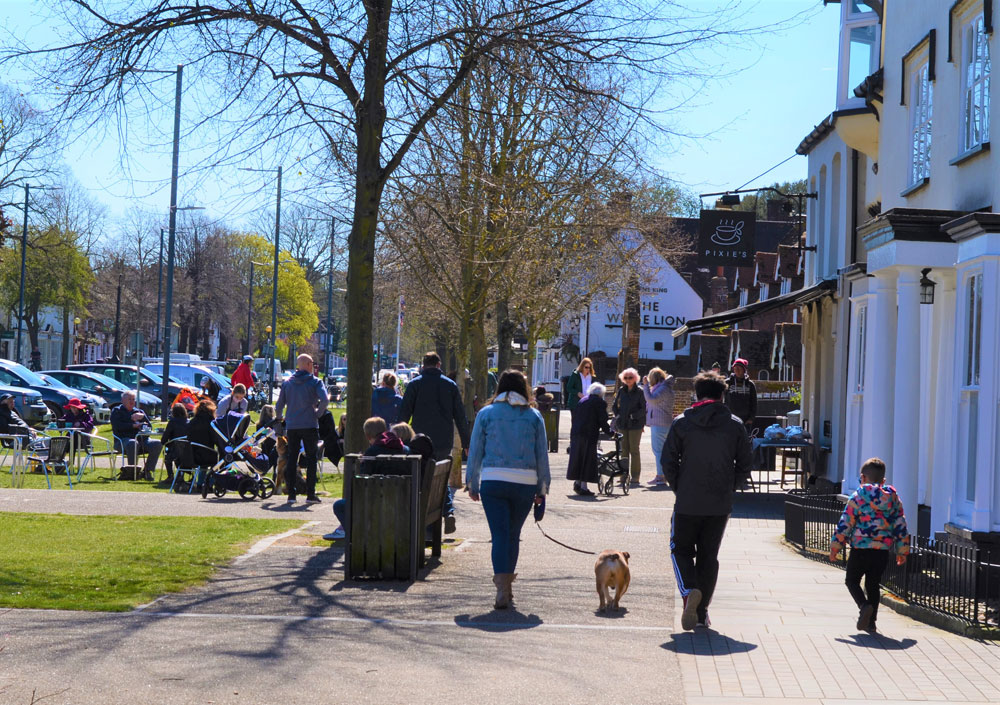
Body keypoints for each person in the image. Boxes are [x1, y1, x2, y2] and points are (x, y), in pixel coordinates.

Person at [663, 371, 752, 631]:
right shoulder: (735, 424)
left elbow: (668, 461)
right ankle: (701, 613)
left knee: (679, 549)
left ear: (697, 394)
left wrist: (680, 487)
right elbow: (745, 464)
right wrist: (729, 487)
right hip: (719, 503)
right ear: (722, 394)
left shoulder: (682, 423)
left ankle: (689, 591)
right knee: (708, 557)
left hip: (688, 500)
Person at [466, 369, 550, 609]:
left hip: (493, 480)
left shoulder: (486, 413)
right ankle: (508, 588)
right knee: (513, 535)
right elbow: (541, 455)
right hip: (524, 482)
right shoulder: (533, 416)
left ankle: (502, 589)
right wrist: (542, 488)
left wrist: (472, 482)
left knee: (499, 535)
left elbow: (476, 450)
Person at [829, 457, 910, 634]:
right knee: (873, 585)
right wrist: (902, 551)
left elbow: (846, 523)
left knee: (851, 581)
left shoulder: (857, 497)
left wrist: (836, 547)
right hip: (881, 551)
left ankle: (864, 606)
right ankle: (871, 623)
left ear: (862, 478)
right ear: (883, 481)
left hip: (860, 549)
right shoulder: (893, 499)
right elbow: (900, 524)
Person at [398, 351, 470, 533]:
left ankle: (428, 521)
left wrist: (397, 438)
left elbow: (404, 414)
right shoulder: (450, 386)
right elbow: (460, 417)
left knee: (424, 477)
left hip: (420, 441)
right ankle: (447, 511)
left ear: (423, 365)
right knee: (440, 476)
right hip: (443, 440)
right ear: (439, 365)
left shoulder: (414, 385)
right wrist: (467, 443)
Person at [324, 416, 410, 541]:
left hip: (378, 502)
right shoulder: (404, 449)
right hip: (403, 501)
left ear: (368, 436)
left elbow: (363, 483)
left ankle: (359, 538)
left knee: (339, 505)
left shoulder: (372, 452)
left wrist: (363, 463)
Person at [275, 354, 329, 503]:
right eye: (312, 363)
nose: (313, 366)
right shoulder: (315, 382)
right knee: (311, 459)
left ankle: (291, 494)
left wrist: (279, 419)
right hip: (309, 424)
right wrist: (317, 413)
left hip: (292, 425)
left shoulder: (288, 383)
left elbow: (279, 405)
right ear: (308, 364)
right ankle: (310, 494)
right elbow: (325, 399)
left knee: (291, 458)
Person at [566, 382, 610, 496]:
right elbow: (602, 420)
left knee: (578, 458)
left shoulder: (582, 400)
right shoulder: (600, 403)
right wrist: (610, 433)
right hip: (589, 434)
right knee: (587, 459)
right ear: (601, 394)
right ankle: (583, 487)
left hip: (577, 432)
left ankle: (577, 482)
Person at [110, 390, 162, 479]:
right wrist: (132, 424)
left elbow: (149, 427)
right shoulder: (117, 411)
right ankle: (132, 472)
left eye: (133, 399)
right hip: (123, 441)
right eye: (129, 399)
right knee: (133, 443)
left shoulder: (139, 411)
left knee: (157, 443)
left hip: (142, 440)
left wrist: (143, 418)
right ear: (123, 400)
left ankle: (147, 471)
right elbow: (117, 426)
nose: (132, 402)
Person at [641, 367, 676, 487]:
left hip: (660, 424)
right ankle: (663, 475)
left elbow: (651, 399)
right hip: (664, 423)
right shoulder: (666, 388)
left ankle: (660, 476)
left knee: (658, 451)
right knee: (663, 451)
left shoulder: (662, 389)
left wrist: (645, 386)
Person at [612, 367, 646, 485]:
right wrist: (618, 415)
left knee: (634, 450)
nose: (628, 380)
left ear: (635, 378)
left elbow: (643, 409)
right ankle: (623, 475)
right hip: (622, 424)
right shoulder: (621, 390)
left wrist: (633, 416)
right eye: (626, 378)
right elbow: (614, 405)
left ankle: (635, 476)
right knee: (623, 450)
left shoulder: (640, 391)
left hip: (635, 425)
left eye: (630, 377)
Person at [160, 402, 190, 483]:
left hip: (175, 450)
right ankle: (180, 475)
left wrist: (166, 443)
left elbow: (164, 440)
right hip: (189, 451)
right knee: (178, 454)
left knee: (167, 452)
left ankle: (170, 475)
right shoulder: (189, 422)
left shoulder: (172, 422)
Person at [724, 358, 757, 430]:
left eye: (739, 368)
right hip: (730, 419)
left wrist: (751, 418)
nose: (737, 370)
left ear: (744, 370)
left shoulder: (750, 385)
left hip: (745, 421)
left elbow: (754, 403)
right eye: (735, 368)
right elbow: (721, 400)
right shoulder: (727, 383)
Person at [187, 399, 220, 468]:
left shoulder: (192, 422)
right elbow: (216, 439)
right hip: (207, 455)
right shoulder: (211, 423)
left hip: (191, 455)